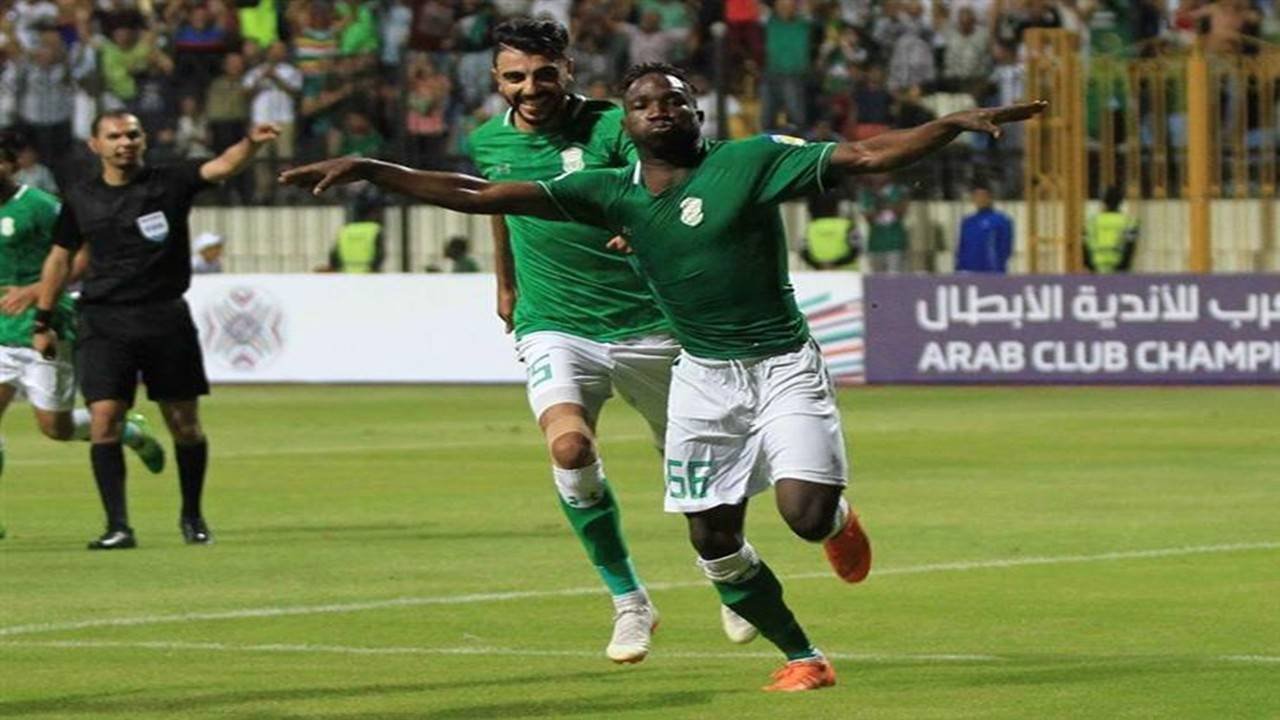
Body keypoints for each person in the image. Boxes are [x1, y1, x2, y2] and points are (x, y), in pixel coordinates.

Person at [281, 63, 1044, 691]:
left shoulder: (750, 161)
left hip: (782, 364)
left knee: (804, 515)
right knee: (712, 539)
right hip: (703, 376)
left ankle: (838, 522)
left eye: (672, 99)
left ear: (695, 111)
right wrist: (371, 169)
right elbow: (482, 195)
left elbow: (867, 157)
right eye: (644, 103)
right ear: (630, 121)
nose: (658, 110)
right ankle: (804, 657)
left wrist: (948, 125)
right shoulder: (609, 191)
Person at [462, 18, 682, 665]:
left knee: (696, 468)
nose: (530, 88)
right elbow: (498, 204)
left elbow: (664, 184)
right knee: (568, 447)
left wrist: (642, 227)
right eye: (515, 77)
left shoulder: (613, 126)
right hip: (555, 320)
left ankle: (732, 567)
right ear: (496, 79)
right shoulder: (487, 140)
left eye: (543, 74)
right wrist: (505, 284)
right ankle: (629, 601)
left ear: (568, 70)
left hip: (647, 320)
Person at [31, 111, 279, 550]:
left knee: (184, 423)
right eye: (114, 136)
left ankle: (192, 516)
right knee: (104, 419)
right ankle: (118, 526)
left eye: (132, 134)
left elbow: (221, 166)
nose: (124, 142)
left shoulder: (170, 182)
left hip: (164, 317)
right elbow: (59, 259)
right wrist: (42, 320)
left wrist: (253, 144)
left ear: (143, 140)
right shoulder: (81, 197)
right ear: (95, 145)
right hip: (103, 320)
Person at [0, 137, 165, 540]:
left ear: (12, 165)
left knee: (55, 428)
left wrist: (37, 291)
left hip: (43, 326)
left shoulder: (39, 205)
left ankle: (128, 432)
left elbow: (80, 252)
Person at [955, 183, 1014, 273]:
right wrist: (959, 268)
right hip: (968, 271)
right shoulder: (967, 221)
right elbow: (961, 247)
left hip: (992, 272)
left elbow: (1006, 248)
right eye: (976, 196)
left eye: (983, 195)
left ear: (990, 197)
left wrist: (997, 266)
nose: (980, 199)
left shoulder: (1001, 220)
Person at [1085, 185, 1139, 274]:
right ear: (1121, 202)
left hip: (1096, 269)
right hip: (1119, 270)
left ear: (1104, 202)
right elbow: (1129, 248)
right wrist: (1122, 268)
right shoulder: (1129, 223)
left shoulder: (1092, 222)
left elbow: (1085, 246)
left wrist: (1091, 267)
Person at [326, 198, 384, 273]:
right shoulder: (374, 229)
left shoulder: (345, 230)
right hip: (368, 274)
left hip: (346, 273)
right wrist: (374, 269)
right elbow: (379, 255)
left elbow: (334, 256)